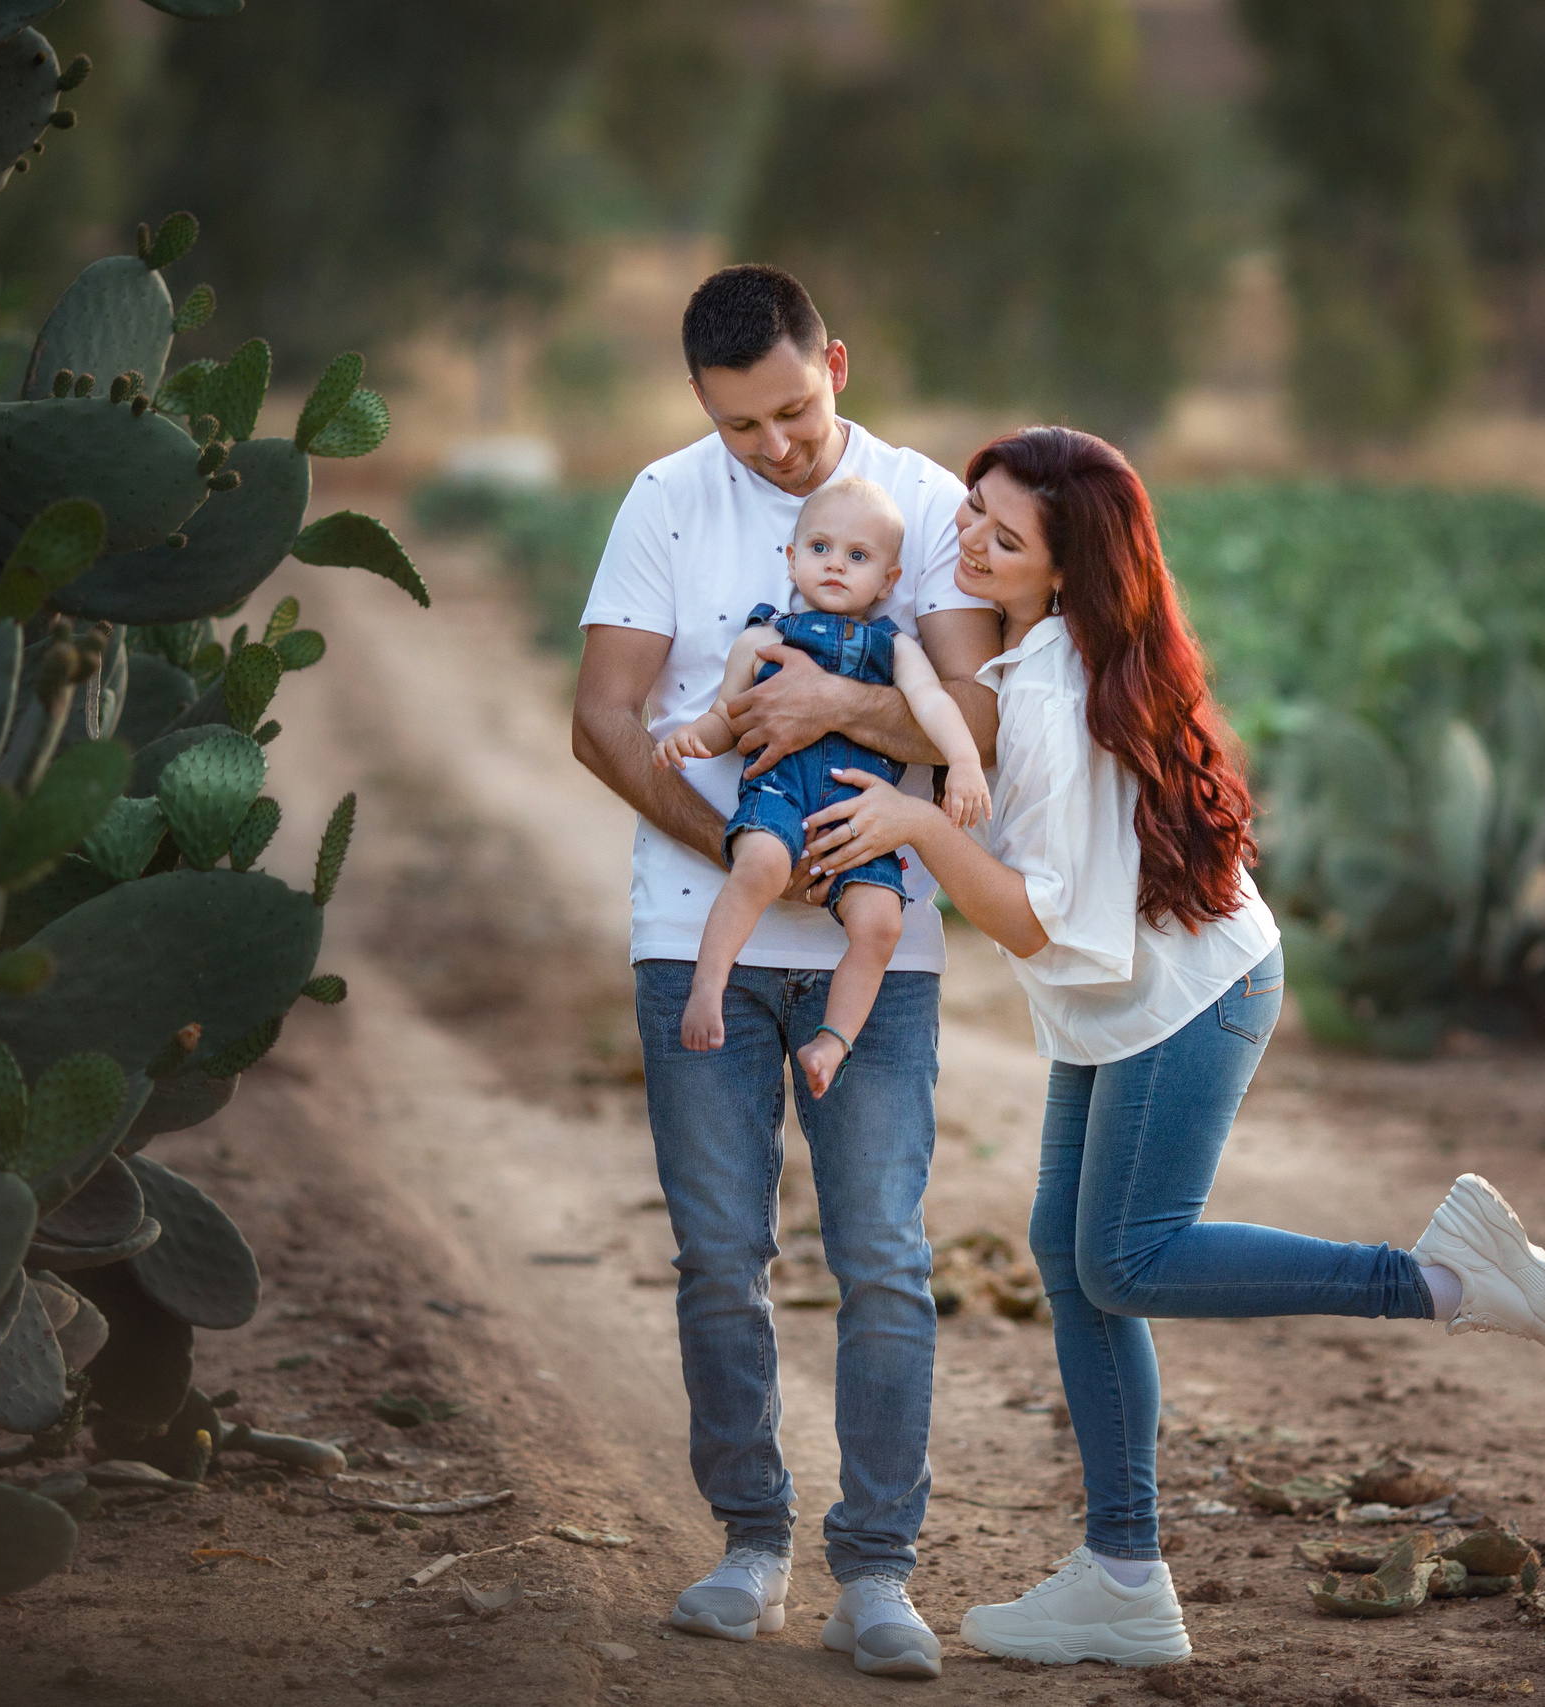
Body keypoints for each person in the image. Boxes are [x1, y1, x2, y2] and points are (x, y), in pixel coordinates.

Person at [801, 425, 1545, 1669]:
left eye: (1004, 537)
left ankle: (1441, 1282)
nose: (970, 542)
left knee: (1126, 1259)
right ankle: (1123, 1579)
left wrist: (915, 824)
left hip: (1184, 996)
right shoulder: (1045, 649)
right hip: (1122, 995)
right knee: (1071, 1259)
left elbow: (1035, 920)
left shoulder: (1057, 695)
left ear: (1065, 568)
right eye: (970, 511)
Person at [571, 264, 1001, 1681]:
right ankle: (750, 1542)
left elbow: (974, 717)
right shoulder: (663, 499)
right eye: (740, 424)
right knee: (718, 1257)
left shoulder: (926, 502)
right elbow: (604, 717)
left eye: (794, 411)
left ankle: (876, 1571)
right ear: (703, 408)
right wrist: (750, 848)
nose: (773, 446)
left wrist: (842, 703)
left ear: (838, 366)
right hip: (697, 932)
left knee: (882, 1258)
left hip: (882, 945)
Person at [653, 476, 991, 1099]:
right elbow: (728, 715)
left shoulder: (895, 647)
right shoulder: (764, 639)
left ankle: (832, 1041)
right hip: (780, 794)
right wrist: (694, 738)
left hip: (860, 816)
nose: (835, 564)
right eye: (820, 548)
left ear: (888, 581)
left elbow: (932, 703)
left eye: (858, 556)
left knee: (882, 923)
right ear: (792, 558)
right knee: (759, 864)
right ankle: (708, 984)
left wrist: (964, 760)